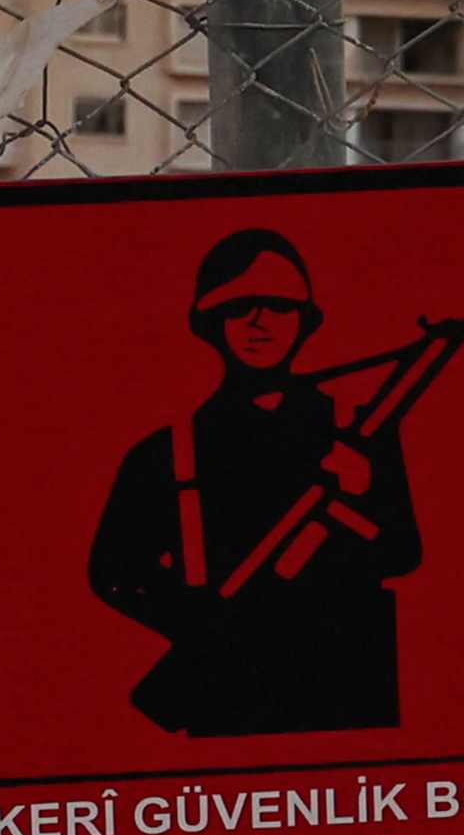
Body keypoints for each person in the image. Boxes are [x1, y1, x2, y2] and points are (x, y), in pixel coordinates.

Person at [84, 227, 421, 736]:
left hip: (346, 690)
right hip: (232, 698)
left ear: (305, 322)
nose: (260, 320)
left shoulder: (357, 436)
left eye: (279, 305)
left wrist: (360, 496)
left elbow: (403, 553)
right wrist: (206, 623)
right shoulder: (166, 454)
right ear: (211, 322)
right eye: (240, 306)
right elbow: (111, 572)